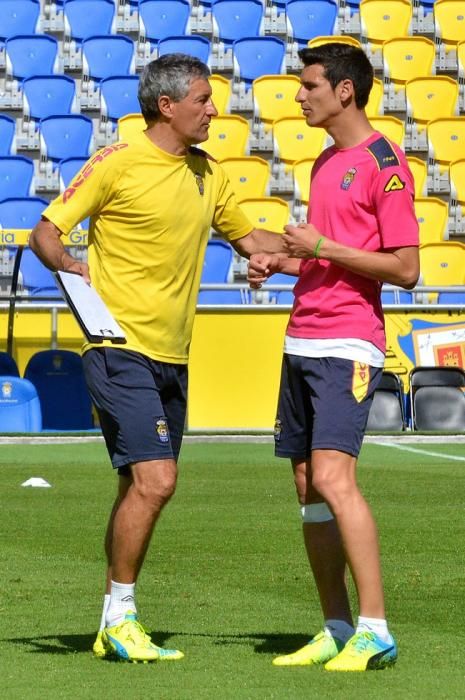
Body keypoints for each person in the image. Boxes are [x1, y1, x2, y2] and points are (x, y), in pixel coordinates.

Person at [29, 53, 284, 664]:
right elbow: (46, 231)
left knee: (136, 484)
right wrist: (69, 265)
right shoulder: (116, 163)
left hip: (174, 354)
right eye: (202, 100)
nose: (213, 111)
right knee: (158, 479)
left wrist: (329, 254)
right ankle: (121, 616)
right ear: (166, 105)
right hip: (117, 346)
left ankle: (111, 620)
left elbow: (254, 243)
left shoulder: (210, 174)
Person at [248, 43, 419, 672]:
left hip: (347, 342)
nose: (300, 95)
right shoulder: (326, 161)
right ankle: (337, 624)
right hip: (301, 336)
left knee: (332, 477)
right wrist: (284, 259)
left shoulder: (384, 162)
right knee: (305, 484)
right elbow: (326, 259)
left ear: (344, 91)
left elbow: (405, 268)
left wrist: (320, 244)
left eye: (310, 85)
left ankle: (376, 629)